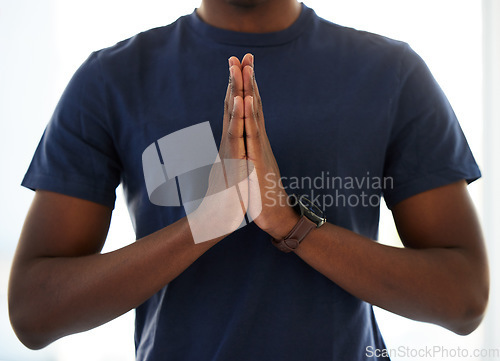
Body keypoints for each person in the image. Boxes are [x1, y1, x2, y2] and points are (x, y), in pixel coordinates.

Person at [9, 0, 489, 360]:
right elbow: (34, 311)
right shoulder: (110, 79)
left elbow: (463, 299)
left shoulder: (392, 74)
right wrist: (207, 224)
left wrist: (287, 222)